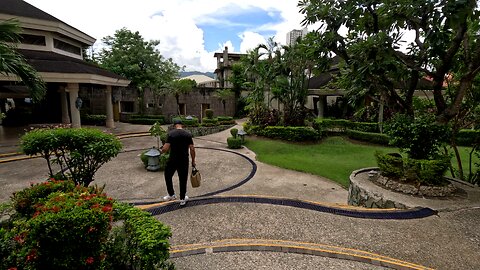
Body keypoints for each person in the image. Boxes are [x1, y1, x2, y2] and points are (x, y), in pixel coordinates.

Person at [161, 119, 196, 206]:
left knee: (168, 175)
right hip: (184, 160)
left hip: (173, 159)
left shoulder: (171, 134)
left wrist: (161, 151)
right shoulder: (187, 134)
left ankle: (171, 194)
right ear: (182, 125)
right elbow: (192, 148)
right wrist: (193, 161)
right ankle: (183, 199)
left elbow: (165, 149)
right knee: (183, 179)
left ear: (174, 125)